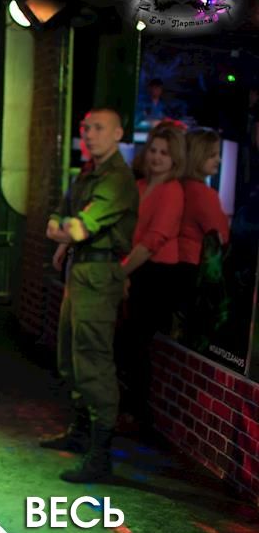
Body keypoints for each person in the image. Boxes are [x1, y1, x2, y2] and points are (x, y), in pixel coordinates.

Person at [40, 108, 139, 483]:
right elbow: (58, 216)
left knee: (94, 363)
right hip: (81, 271)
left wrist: (65, 231)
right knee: (71, 357)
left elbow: (78, 228)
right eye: (86, 128)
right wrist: (63, 230)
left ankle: (101, 455)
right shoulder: (88, 174)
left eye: (99, 128)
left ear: (117, 133)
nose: (90, 134)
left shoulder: (116, 179)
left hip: (97, 274)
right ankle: (81, 433)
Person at [117, 124, 186, 439]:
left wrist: (121, 273)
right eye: (154, 151)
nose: (157, 157)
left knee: (135, 346)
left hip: (156, 275)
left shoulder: (172, 191)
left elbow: (154, 241)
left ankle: (137, 416)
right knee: (125, 344)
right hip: (134, 268)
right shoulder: (140, 185)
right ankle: (127, 411)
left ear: (175, 159)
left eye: (164, 153)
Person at [176, 128, 230, 308]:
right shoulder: (203, 194)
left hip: (174, 266)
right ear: (198, 156)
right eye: (212, 155)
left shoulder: (176, 186)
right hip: (195, 271)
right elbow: (221, 236)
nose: (219, 160)